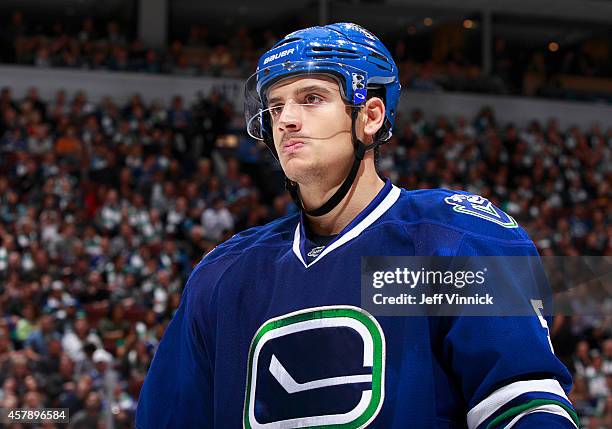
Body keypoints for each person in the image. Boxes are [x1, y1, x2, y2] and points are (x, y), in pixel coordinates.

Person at [136, 23, 577, 428]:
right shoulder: (225, 273)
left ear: (370, 116)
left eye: (311, 98)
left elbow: (523, 407)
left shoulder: (450, 238)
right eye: (275, 106)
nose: (286, 119)